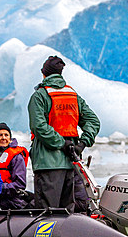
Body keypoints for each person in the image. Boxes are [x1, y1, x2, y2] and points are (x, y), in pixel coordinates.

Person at [27, 55, 100, 213]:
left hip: (47, 163)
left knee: (46, 213)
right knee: (67, 211)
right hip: (70, 163)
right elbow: (93, 121)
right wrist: (81, 144)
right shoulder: (73, 96)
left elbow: (39, 126)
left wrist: (61, 143)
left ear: (44, 73)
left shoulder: (40, 96)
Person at [0, 122, 34, 210]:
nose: (3, 138)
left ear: (10, 138)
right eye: (0, 135)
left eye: (6, 135)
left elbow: (19, 184)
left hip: (11, 200)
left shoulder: (16, 157)